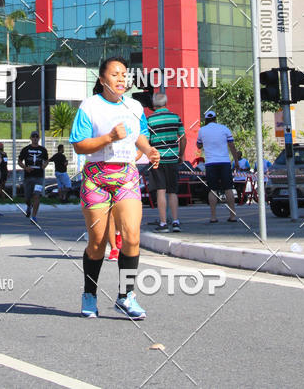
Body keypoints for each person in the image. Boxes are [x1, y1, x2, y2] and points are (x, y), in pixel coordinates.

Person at [70, 56, 160, 320]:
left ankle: (126, 295)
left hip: (126, 175)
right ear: (101, 80)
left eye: (124, 75)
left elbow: (139, 135)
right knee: (98, 244)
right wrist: (109, 137)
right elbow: (79, 145)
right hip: (96, 177)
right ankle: (89, 293)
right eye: (114, 74)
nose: (121, 79)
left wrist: (149, 150)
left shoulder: (134, 106)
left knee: (132, 237)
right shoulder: (90, 107)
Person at [147, 92, 186, 233]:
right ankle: (176, 222)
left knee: (161, 191)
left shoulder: (149, 120)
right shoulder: (175, 118)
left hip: (157, 160)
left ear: (153, 104)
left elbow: (146, 140)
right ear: (166, 103)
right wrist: (180, 154)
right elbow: (183, 138)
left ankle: (163, 223)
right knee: (172, 191)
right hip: (172, 159)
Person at [196, 110, 240, 223]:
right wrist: (236, 161)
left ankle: (213, 216)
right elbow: (232, 146)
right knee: (228, 188)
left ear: (206, 120)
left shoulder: (202, 130)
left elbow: (199, 145)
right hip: (224, 162)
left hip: (210, 163)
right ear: (216, 118)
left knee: (213, 189)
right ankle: (232, 215)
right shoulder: (224, 129)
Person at [18, 131, 49, 221]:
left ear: (39, 138)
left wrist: (44, 165)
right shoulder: (26, 149)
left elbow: (47, 160)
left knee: (36, 195)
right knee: (27, 197)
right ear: (30, 138)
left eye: (37, 137)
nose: (35, 138)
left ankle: (34, 216)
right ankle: (29, 206)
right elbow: (19, 161)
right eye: (33, 136)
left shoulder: (43, 150)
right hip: (28, 177)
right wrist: (25, 167)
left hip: (39, 177)